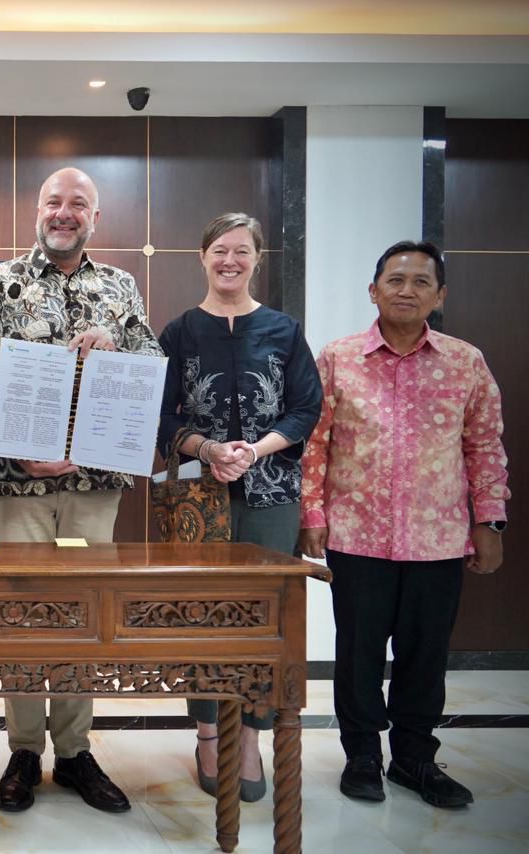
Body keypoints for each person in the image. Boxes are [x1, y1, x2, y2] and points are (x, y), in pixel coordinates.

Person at [0, 167, 160, 815]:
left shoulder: (120, 286)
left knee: (80, 609)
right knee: (23, 612)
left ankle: (74, 750)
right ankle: (23, 747)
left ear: (95, 218)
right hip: (18, 481)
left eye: (79, 204)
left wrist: (118, 343)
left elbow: (151, 364)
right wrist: (23, 446)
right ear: (37, 211)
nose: (65, 212)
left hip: (96, 478)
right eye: (54, 201)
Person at [299, 240, 509, 809]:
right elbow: (315, 443)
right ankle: (362, 756)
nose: (407, 291)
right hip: (356, 536)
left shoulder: (466, 362)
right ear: (374, 291)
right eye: (396, 280)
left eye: (421, 282)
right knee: (359, 652)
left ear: (439, 296)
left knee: (425, 656)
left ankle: (415, 759)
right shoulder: (339, 357)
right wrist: (312, 514)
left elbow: (484, 446)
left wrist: (490, 521)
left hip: (438, 539)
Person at [156, 212, 322, 802]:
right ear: (202, 257)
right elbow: (161, 413)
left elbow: (306, 408)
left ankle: (251, 733)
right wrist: (206, 447)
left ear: (258, 260)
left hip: (271, 493)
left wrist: (255, 450)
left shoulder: (283, 329)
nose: (230, 261)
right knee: (198, 615)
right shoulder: (178, 332)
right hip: (198, 499)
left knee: (263, 619)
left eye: (242, 251)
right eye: (220, 250)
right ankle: (206, 731)